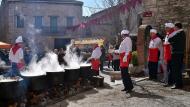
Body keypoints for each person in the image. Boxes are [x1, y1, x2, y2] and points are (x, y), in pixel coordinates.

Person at [169, 23, 186, 89]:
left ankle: (177, 84)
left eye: (174, 27)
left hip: (176, 53)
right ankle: (179, 84)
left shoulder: (179, 33)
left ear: (177, 27)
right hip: (179, 53)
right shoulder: (182, 33)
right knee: (178, 69)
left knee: (176, 69)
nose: (174, 28)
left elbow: (170, 39)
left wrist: (172, 42)